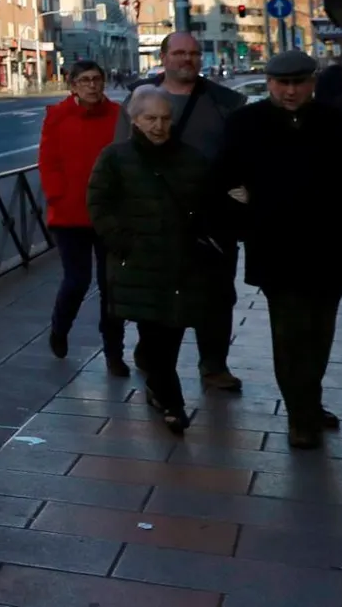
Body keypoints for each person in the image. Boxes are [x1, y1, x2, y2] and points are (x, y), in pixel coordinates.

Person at [217, 51, 342, 449]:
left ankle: (310, 401)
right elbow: (226, 180)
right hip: (276, 246)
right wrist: (247, 219)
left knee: (320, 331)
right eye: (282, 83)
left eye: (298, 82)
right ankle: (300, 416)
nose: (290, 90)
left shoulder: (335, 121)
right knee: (289, 332)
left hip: (328, 244)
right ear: (269, 83)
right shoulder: (245, 123)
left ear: (312, 82)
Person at [115, 31, 247, 391]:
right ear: (163, 57)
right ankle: (150, 352)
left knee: (217, 295)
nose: (186, 59)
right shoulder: (139, 99)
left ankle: (214, 364)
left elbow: (241, 155)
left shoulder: (224, 102)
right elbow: (121, 157)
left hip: (212, 219)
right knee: (157, 291)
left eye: (192, 53)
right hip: (155, 219)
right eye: (178, 53)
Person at [88, 86, 225, 434]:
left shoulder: (191, 159)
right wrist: (123, 243)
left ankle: (157, 387)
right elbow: (98, 204)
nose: (159, 126)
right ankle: (172, 401)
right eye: (150, 119)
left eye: (165, 119)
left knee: (172, 329)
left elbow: (210, 205)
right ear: (135, 120)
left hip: (182, 263)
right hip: (138, 262)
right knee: (154, 329)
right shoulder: (115, 158)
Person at [39, 60, 128, 374]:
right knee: (77, 281)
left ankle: (114, 352)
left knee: (112, 286)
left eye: (97, 79)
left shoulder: (119, 116)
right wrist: (57, 195)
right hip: (70, 215)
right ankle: (60, 328)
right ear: (73, 85)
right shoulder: (58, 117)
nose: (93, 85)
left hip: (109, 214)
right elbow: (48, 161)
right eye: (85, 80)